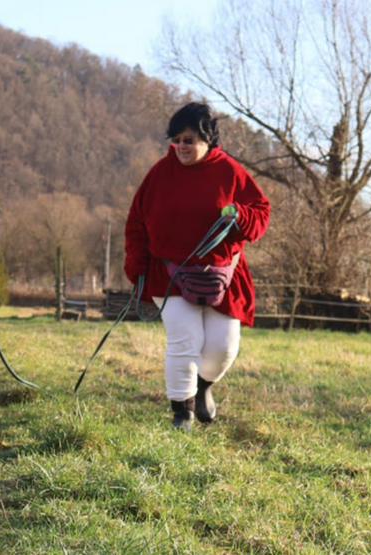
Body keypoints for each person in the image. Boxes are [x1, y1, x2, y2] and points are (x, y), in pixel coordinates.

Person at [124, 102, 271, 431]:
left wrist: (239, 215)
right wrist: (137, 267)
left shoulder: (231, 171)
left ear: (208, 139)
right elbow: (136, 223)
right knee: (184, 338)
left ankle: (204, 386)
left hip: (223, 275)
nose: (181, 146)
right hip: (169, 274)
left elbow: (261, 213)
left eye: (188, 139)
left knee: (223, 346)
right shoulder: (159, 175)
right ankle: (182, 413)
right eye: (176, 139)